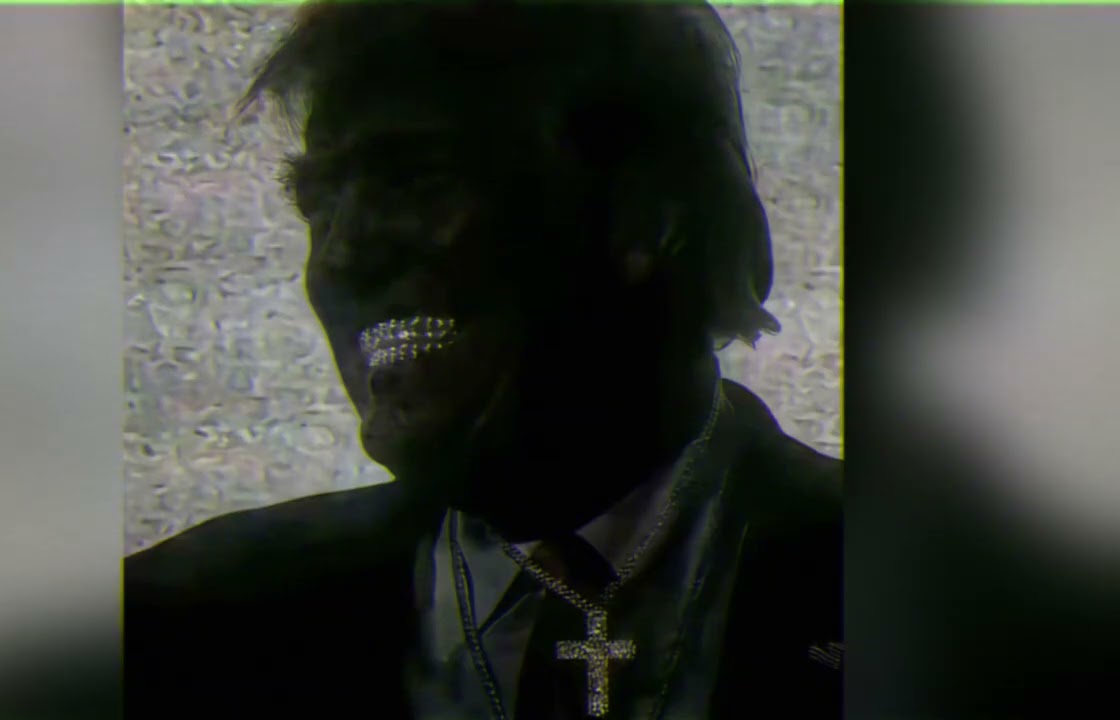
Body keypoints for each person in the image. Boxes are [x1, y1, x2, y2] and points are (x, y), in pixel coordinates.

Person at [125, 3, 841, 719]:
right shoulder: (170, 636)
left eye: (415, 179)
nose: (339, 258)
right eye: (319, 205)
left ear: (650, 215)